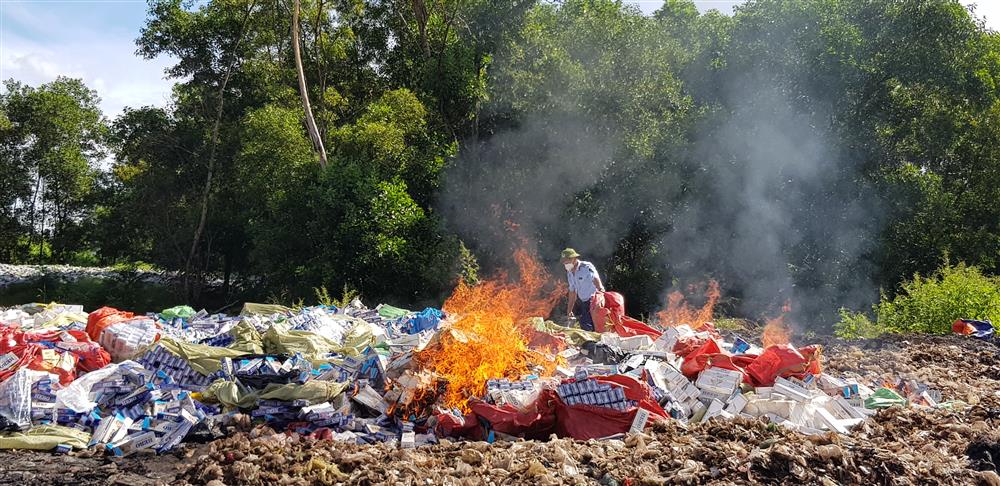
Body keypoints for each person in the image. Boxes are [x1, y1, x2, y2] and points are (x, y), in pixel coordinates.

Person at [561, 248, 604, 332]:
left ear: (573, 259)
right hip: (584, 302)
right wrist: (569, 311)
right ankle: (594, 342)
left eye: (566, 261)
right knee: (586, 323)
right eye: (564, 262)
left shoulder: (586, 267)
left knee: (586, 323)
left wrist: (601, 291)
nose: (565, 264)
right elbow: (572, 292)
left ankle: (592, 343)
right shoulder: (569, 273)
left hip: (594, 300)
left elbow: (595, 278)